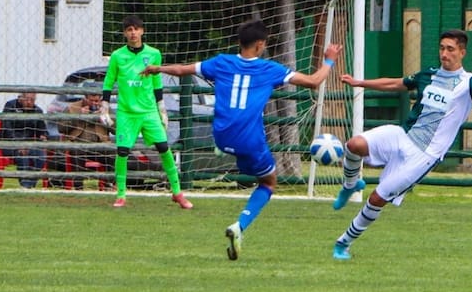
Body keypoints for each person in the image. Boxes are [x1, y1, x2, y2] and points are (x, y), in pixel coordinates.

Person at [141, 18, 341, 260]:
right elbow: (314, 81)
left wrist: (158, 69)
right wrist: (329, 59)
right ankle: (240, 226)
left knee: (240, 153)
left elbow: (183, 70)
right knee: (268, 183)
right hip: (249, 140)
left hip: (222, 135)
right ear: (259, 44)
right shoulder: (269, 69)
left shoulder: (221, 62)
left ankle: (223, 149)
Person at [331, 29, 472, 260]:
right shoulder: (428, 75)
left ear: (462, 52)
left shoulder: (469, 83)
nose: (444, 54)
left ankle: (343, 243)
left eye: (450, 49)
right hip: (403, 135)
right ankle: (350, 185)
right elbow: (396, 83)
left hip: (424, 154)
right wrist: (360, 82)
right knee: (354, 144)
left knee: (378, 198)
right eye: (442, 48)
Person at [100, 15, 193, 209]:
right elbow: (109, 81)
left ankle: (177, 192)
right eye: (129, 30)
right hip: (127, 113)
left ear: (142, 31)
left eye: (136, 29)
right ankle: (121, 194)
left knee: (163, 148)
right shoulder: (118, 56)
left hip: (149, 112)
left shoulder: (154, 54)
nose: (133, 33)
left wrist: (162, 109)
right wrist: (105, 107)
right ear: (124, 33)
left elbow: (157, 83)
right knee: (123, 151)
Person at [58, 88, 114, 190]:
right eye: (91, 101)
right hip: (78, 144)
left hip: (99, 145)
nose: (94, 103)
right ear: (85, 98)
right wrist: (78, 116)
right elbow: (61, 128)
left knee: (112, 154)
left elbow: (116, 130)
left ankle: (108, 185)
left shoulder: (106, 109)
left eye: (96, 101)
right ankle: (78, 187)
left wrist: (105, 118)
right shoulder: (72, 108)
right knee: (76, 152)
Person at [0, 92, 49, 189]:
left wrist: (43, 136)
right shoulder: (10, 106)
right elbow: (6, 128)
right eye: (27, 99)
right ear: (20, 98)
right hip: (9, 143)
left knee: (41, 156)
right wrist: (18, 144)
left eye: (32, 100)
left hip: (29, 144)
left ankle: (29, 185)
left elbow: (43, 130)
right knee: (23, 155)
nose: (29, 102)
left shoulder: (38, 111)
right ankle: (26, 186)